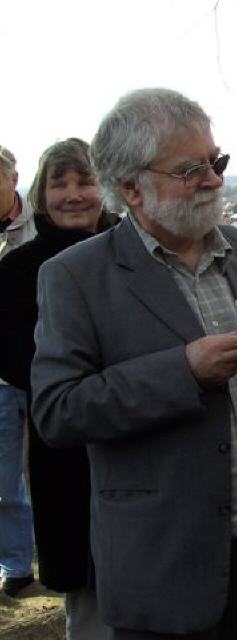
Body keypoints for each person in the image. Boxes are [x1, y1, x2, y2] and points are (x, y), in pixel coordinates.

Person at [29, 88, 237, 639]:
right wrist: (181, 371)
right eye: (190, 170)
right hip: (163, 563)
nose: (214, 180)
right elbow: (57, 410)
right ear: (130, 189)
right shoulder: (75, 277)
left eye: (216, 162)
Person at [0, 138, 118, 637]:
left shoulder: (132, 249)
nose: (73, 195)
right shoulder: (18, 270)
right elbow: (18, 360)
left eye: (85, 181)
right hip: (66, 449)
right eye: (60, 183)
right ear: (41, 192)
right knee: (87, 590)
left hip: (143, 443)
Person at [0, 143, 36, 598]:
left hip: (49, 370)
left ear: (13, 177)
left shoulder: (40, 227)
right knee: (4, 481)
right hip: (2, 380)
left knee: (66, 469)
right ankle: (16, 563)